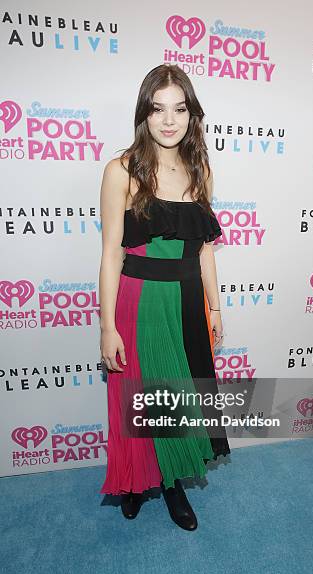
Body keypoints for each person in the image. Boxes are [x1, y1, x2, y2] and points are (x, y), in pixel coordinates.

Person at [98, 64, 231, 531]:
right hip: (139, 300)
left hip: (187, 301)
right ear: (144, 113)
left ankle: (172, 482)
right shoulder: (122, 170)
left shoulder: (200, 169)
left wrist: (214, 306)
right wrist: (106, 326)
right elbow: (112, 253)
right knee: (137, 397)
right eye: (158, 109)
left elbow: (205, 249)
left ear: (191, 114)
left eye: (179, 109)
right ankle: (133, 481)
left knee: (176, 400)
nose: (169, 120)